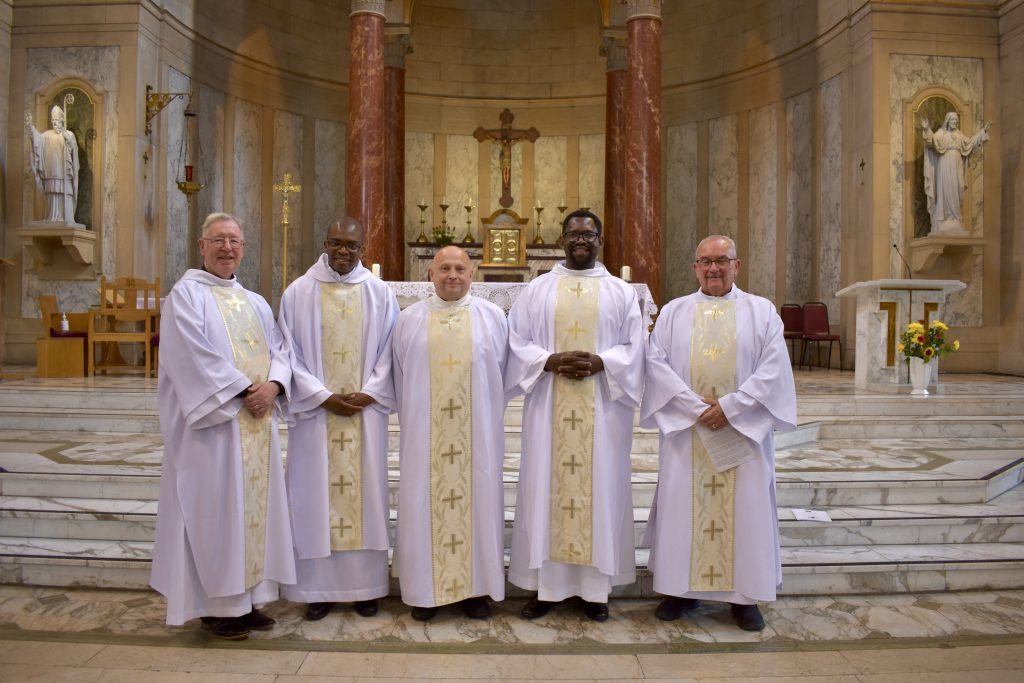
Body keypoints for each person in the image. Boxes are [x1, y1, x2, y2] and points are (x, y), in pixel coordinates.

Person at [640, 234, 796, 631]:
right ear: (694, 267)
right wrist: (696, 409)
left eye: (722, 260)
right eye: (705, 261)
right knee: (682, 506)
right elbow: (656, 365)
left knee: (746, 508)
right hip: (688, 431)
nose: (713, 268)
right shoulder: (674, 312)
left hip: (741, 431)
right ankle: (679, 588)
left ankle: (745, 597)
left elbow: (773, 368)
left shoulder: (762, 312)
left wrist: (730, 407)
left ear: (736, 265)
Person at [151, 213, 295, 640]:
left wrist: (275, 385)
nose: (227, 248)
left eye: (234, 240)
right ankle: (216, 606)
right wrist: (243, 391)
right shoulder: (185, 297)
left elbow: (280, 349)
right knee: (214, 512)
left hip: (255, 421)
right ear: (202, 246)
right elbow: (191, 358)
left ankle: (247, 601)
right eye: (218, 240)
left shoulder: (255, 301)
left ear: (243, 248)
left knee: (250, 514)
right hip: (213, 429)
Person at [506, 210, 645, 622]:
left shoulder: (621, 292)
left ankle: (594, 591)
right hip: (549, 407)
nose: (580, 240)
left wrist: (604, 362)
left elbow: (635, 347)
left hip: (603, 411)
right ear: (561, 239)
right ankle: (545, 591)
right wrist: (547, 360)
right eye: (573, 233)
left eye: (588, 234)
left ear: (600, 239)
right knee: (545, 492)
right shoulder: (537, 290)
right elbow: (515, 341)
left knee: (599, 491)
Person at [277, 217, 398, 621]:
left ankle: (365, 588)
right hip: (316, 417)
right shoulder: (298, 292)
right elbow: (287, 352)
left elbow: (391, 351)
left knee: (365, 497)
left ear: (363, 248)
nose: (344, 251)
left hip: (365, 415)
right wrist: (321, 396)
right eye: (337, 243)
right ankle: (316, 589)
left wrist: (371, 391)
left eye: (352, 245)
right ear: (325, 243)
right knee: (313, 496)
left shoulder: (379, 293)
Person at [391, 246, 510, 621]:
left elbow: (504, 374)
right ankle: (424, 592)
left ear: (472, 275)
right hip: (425, 436)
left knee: (478, 501)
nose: (453, 275)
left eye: (460, 268)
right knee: (422, 503)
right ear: (431, 274)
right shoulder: (409, 319)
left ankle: (475, 590)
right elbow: (399, 374)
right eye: (445, 268)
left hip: (476, 435)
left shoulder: (492, 317)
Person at [921, 111, 992, 234]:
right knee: (946, 190)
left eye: (956, 120)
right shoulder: (941, 134)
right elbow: (931, 141)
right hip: (944, 164)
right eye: (952, 120)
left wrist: (983, 132)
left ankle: (955, 218)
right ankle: (944, 219)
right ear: (947, 121)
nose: (955, 122)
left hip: (957, 165)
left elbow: (971, 142)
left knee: (957, 188)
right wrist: (927, 129)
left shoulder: (959, 136)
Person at [26, 105, 81, 224]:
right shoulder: (47, 135)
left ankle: (66, 217)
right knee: (52, 193)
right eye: (53, 120)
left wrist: (70, 142)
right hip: (51, 172)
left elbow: (74, 153)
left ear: (62, 121)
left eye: (57, 120)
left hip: (64, 173)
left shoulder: (69, 134)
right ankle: (52, 217)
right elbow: (37, 140)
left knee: (64, 193)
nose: (55, 123)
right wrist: (30, 127)